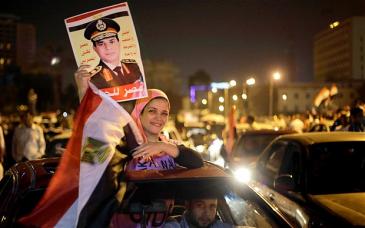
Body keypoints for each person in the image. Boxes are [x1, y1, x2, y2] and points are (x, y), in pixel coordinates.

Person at [127, 89, 204, 170]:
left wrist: (163, 146)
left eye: (164, 113)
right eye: (152, 111)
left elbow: (198, 162)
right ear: (139, 114)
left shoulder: (170, 145)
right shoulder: (127, 147)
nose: (158, 118)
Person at [83, 18, 143, 89]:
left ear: (118, 43)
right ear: (95, 48)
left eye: (111, 42)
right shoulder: (93, 77)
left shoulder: (133, 66)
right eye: (101, 44)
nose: (108, 47)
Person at [164, 198, 232, 228]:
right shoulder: (172, 225)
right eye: (200, 205)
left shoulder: (218, 225)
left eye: (212, 206)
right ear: (187, 205)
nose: (207, 213)